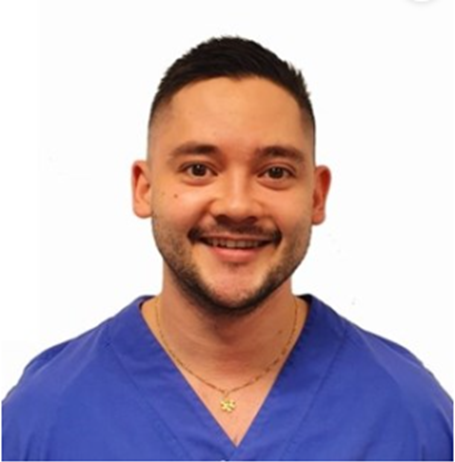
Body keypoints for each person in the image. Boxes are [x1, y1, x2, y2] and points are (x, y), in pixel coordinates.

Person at [2, 36, 452, 461]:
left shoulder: (409, 416)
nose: (237, 205)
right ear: (144, 188)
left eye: (275, 172)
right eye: (199, 169)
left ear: (317, 196)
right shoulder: (43, 419)